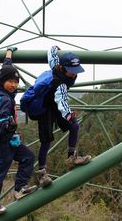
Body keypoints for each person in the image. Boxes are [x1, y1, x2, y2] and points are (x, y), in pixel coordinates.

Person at [0, 47, 37, 216]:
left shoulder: (2, 91)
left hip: (9, 139)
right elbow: (1, 120)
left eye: (16, 82)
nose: (14, 85)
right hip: (2, 141)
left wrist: (8, 54)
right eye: (10, 82)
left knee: (28, 157)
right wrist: (8, 127)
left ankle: (20, 188)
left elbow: (5, 68)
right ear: (3, 81)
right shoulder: (4, 99)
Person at [35, 45, 91, 188]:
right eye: (71, 72)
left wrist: (54, 48)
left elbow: (52, 55)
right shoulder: (60, 84)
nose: (73, 75)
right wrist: (68, 115)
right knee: (46, 141)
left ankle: (71, 157)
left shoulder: (56, 66)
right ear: (62, 68)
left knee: (75, 126)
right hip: (45, 108)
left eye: (75, 72)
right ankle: (41, 174)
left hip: (54, 106)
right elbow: (62, 101)